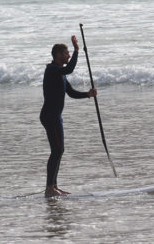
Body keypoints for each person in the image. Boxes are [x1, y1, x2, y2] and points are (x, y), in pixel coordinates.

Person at [40, 35, 97, 197]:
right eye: (66, 53)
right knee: (57, 150)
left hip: (55, 116)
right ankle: (49, 188)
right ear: (58, 55)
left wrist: (88, 94)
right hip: (50, 116)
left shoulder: (60, 74)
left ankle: (53, 187)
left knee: (59, 150)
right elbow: (70, 68)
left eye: (69, 53)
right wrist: (78, 50)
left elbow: (71, 93)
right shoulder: (52, 70)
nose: (69, 56)